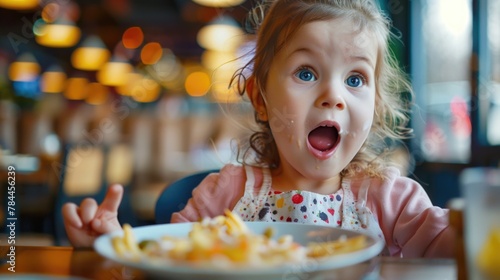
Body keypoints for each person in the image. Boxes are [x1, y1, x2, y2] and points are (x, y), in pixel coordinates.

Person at [63, 0, 455, 257]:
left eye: (355, 79)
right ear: (260, 99)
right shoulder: (225, 194)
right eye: (306, 72)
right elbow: (167, 263)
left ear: (376, 105)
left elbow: (459, 253)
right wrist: (110, 246)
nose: (334, 95)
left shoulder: (392, 201)